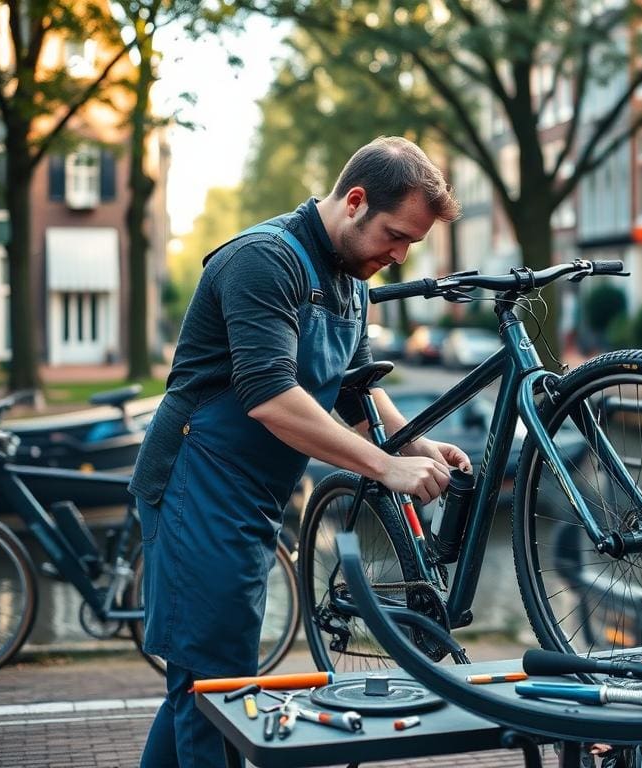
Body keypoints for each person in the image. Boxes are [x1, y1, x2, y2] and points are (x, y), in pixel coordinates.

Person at [129, 136, 470, 767]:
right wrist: (386, 466)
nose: (398, 257)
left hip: (251, 493)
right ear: (355, 202)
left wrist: (416, 441)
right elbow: (271, 396)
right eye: (395, 236)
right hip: (194, 483)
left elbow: (355, 392)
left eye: (410, 246)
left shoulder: (350, 280)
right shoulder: (264, 260)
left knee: (202, 680)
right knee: (221, 688)